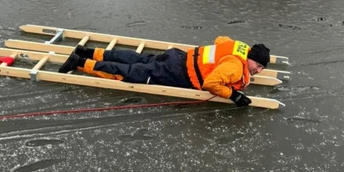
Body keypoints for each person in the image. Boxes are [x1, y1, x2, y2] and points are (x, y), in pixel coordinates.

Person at [58, 36, 270, 107]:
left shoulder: (238, 47)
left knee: (137, 58)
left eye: (261, 68)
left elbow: (220, 40)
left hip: (178, 56)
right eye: (258, 66)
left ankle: (89, 52)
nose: (258, 71)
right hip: (176, 72)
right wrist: (234, 95)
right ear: (250, 58)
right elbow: (211, 84)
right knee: (130, 72)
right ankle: (79, 63)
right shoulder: (234, 67)